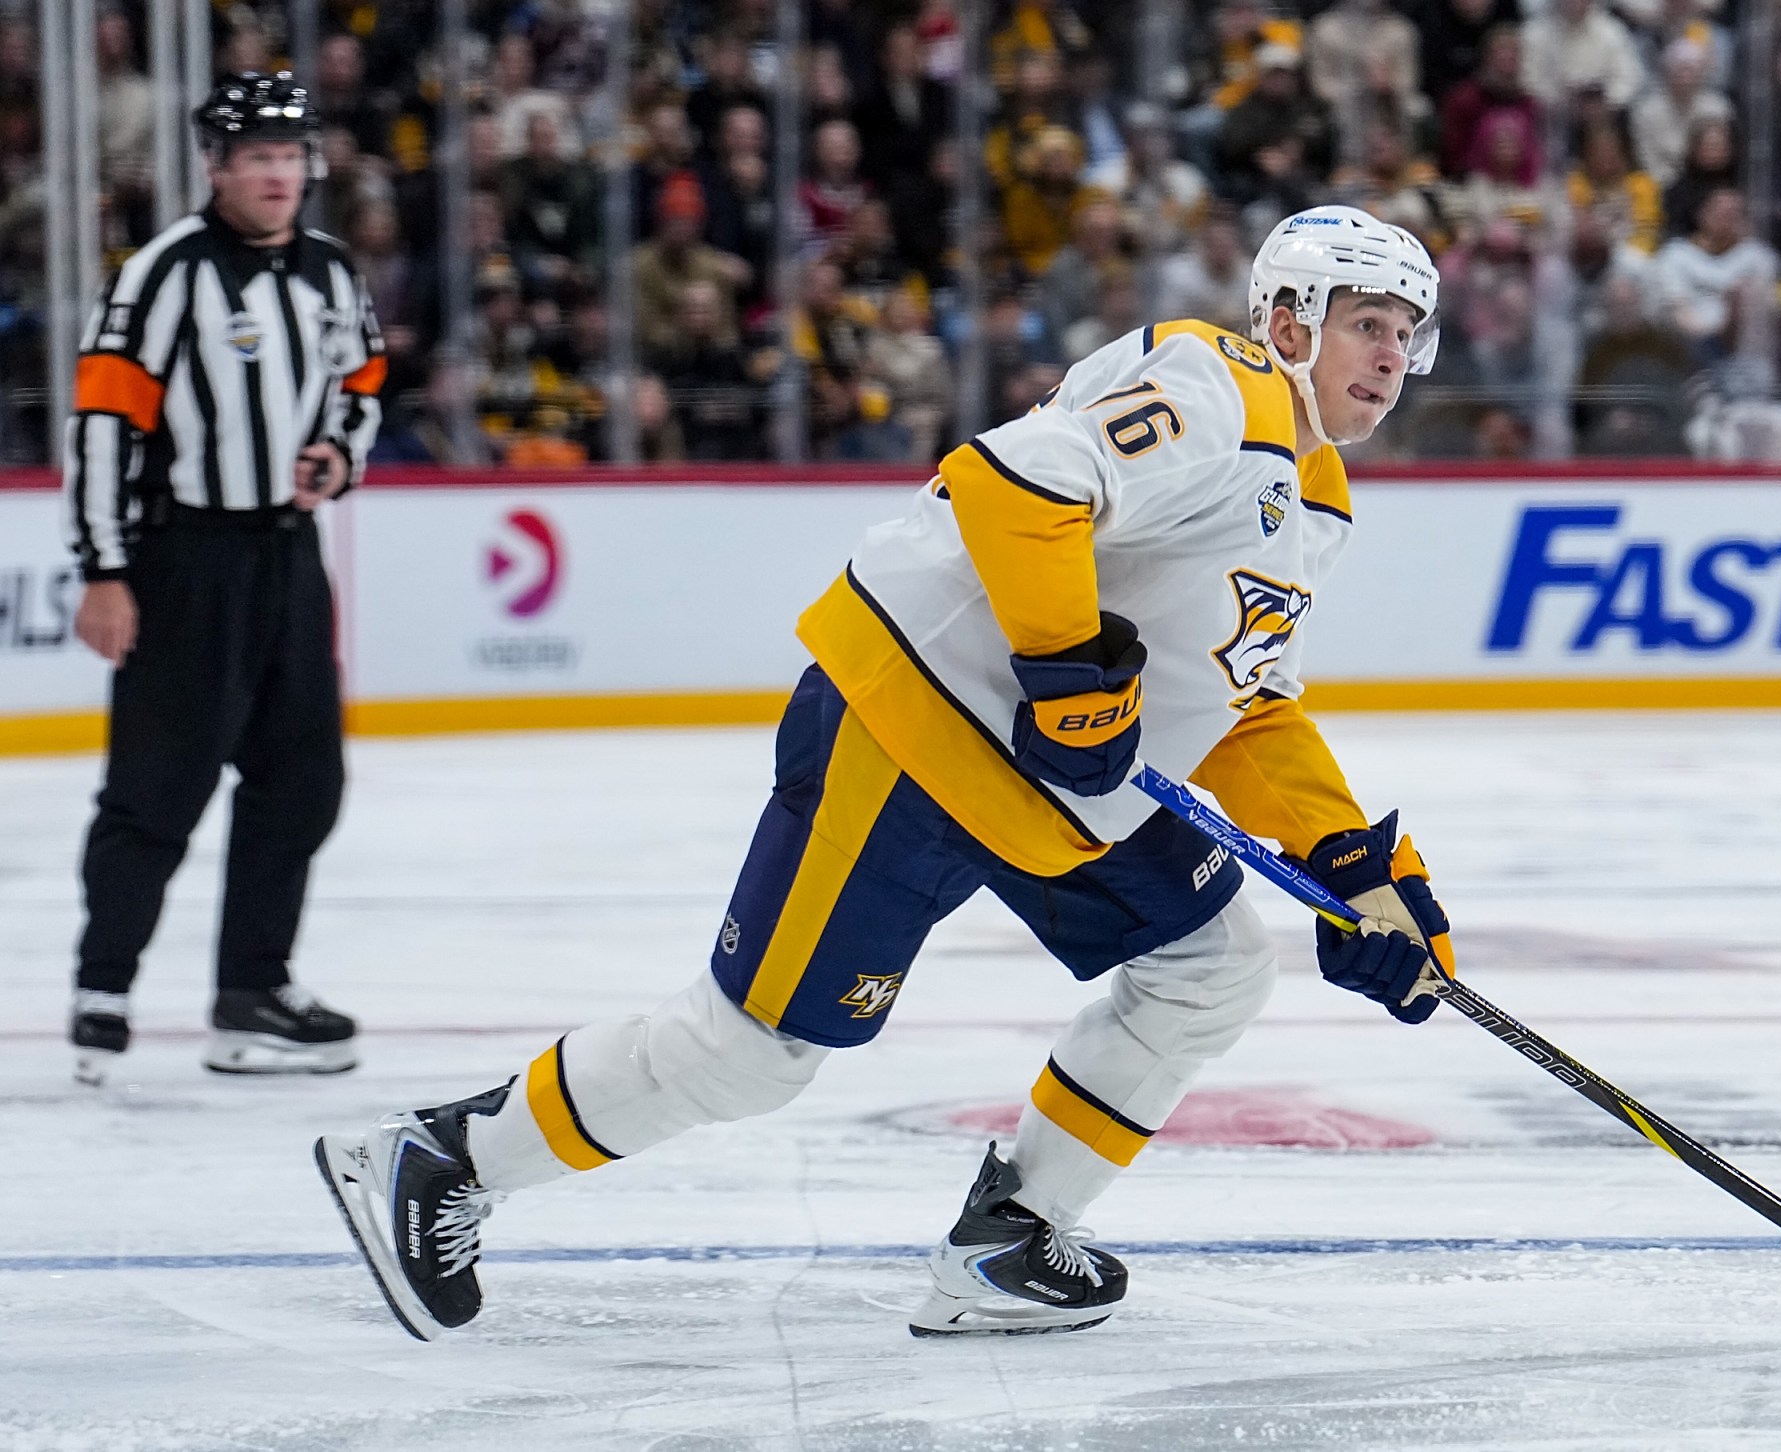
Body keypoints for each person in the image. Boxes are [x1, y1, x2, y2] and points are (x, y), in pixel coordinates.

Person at [316, 206, 1453, 1342]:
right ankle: (442, 1157)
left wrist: (1351, 865)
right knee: (752, 1055)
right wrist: (1071, 678)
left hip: (1053, 778)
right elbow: (1017, 484)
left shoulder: (1316, 500)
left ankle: (1010, 1234)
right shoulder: (1222, 387)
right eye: (1367, 322)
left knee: (1211, 966)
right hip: (913, 726)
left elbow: (1247, 706)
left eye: (1409, 331)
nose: (1393, 355)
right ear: (1288, 320)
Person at [61, 73, 385, 1084]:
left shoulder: (331, 273)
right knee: (160, 784)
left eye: (290, 156)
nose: (277, 175)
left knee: (304, 778)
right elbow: (104, 423)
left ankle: (252, 992)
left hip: (289, 555)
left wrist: (338, 454)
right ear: (216, 166)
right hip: (184, 559)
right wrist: (105, 571)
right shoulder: (164, 273)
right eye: (256, 157)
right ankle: (101, 988)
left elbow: (361, 385)